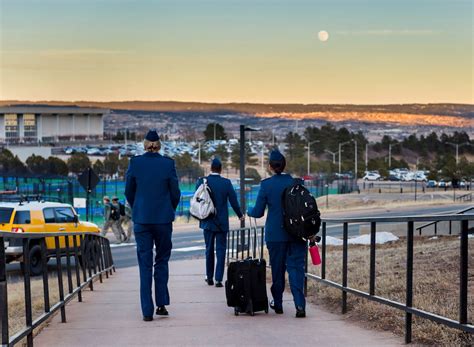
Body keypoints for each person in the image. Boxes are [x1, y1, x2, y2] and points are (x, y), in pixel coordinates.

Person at [125, 129, 181, 322]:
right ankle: (161, 304)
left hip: (142, 219)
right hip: (163, 219)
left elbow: (128, 192)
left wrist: (138, 207)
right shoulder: (168, 164)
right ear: (159, 145)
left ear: (144, 144)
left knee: (145, 264)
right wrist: (169, 208)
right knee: (162, 261)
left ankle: (147, 311)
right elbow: (175, 193)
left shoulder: (135, 163)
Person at [247, 150, 307, 318]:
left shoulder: (266, 185)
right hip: (296, 234)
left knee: (277, 270)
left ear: (270, 166)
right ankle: (300, 305)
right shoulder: (297, 182)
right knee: (296, 269)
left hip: (275, 236)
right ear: (285, 165)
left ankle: (278, 303)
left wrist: (249, 211)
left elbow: (258, 212)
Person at [196, 158, 244, 288]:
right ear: (221, 169)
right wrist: (240, 215)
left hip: (207, 221)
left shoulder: (202, 181)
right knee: (221, 250)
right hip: (221, 222)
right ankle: (218, 279)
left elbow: (197, 198)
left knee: (209, 250)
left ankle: (209, 277)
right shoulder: (226, 183)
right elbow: (233, 201)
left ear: (211, 168)